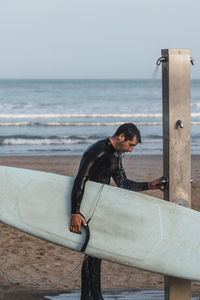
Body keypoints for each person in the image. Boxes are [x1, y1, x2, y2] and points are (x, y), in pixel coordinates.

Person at [70, 123, 164, 300]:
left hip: (98, 208)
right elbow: (79, 181)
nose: (130, 150)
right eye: (131, 145)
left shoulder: (115, 155)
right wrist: (75, 212)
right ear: (121, 137)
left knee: (95, 254)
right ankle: (92, 297)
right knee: (93, 253)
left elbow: (124, 183)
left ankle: (93, 296)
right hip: (86, 209)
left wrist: (149, 185)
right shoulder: (98, 151)